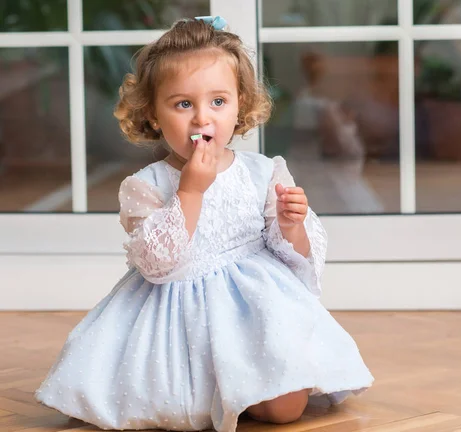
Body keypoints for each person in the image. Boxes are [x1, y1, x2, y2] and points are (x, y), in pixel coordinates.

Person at [35, 16, 374, 432]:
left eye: (218, 102)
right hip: (177, 314)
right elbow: (157, 265)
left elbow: (297, 260)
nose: (202, 119)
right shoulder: (146, 186)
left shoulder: (262, 171)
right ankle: (215, 388)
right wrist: (190, 192)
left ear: (240, 105)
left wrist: (291, 225)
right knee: (168, 404)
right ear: (154, 115)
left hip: (255, 308)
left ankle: (248, 383)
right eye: (183, 104)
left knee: (285, 409)